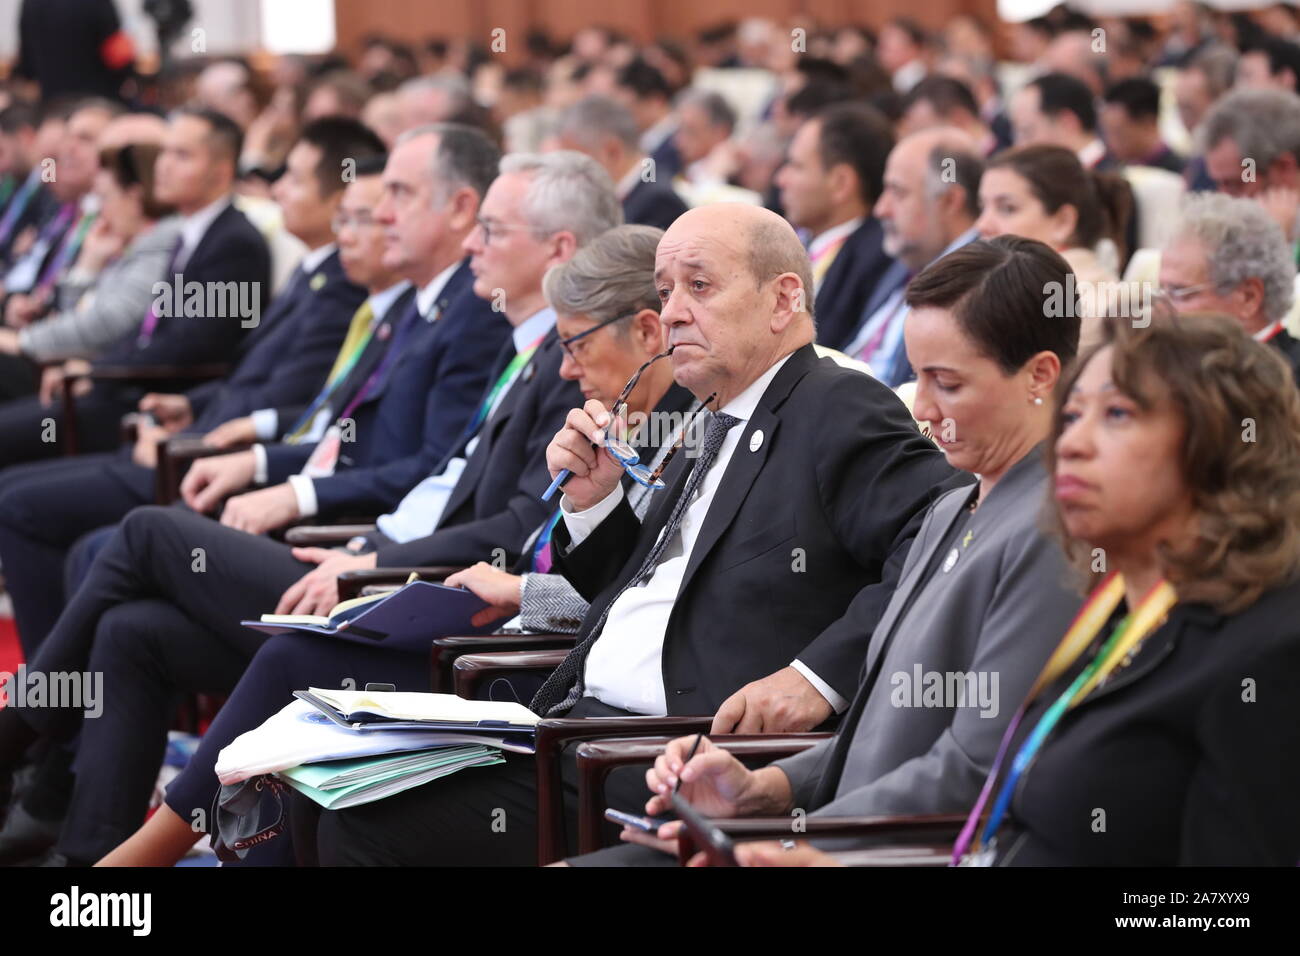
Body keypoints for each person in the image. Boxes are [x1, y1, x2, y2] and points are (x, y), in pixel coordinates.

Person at [293, 202, 960, 866]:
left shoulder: (835, 403)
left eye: (699, 286)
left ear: (784, 297)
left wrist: (817, 677)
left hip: (669, 754)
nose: (672, 311)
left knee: (357, 819)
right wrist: (594, 503)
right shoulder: (709, 414)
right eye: (665, 291)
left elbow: (943, 547)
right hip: (577, 723)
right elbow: (630, 588)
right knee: (316, 783)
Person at [96, 224, 696, 867]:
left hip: (528, 665)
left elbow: (641, 604)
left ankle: (136, 857)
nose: (564, 366)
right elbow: (468, 494)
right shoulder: (617, 416)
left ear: (645, 334)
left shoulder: (688, 439)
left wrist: (521, 590)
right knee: (139, 628)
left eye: (573, 343)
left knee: (278, 654)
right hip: (482, 617)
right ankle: (94, 842)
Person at [567, 236, 1085, 866]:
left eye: (946, 383)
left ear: (1040, 376)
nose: (921, 409)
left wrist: (797, 838)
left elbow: (975, 772)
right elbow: (877, 730)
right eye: (918, 377)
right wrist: (762, 791)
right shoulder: (954, 508)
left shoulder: (1056, 535)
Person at [970, 310, 1300, 865]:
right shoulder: (1118, 616)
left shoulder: (1269, 651)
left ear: (1217, 445)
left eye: (1118, 414)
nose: (1071, 443)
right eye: (1071, 416)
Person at [0, 106, 271, 465]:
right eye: (164, 153)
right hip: (126, 388)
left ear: (221, 171)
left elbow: (194, 346)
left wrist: (96, 369)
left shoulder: (235, 243)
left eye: (181, 155)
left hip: (159, 406)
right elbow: (154, 330)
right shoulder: (192, 234)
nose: (163, 166)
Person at [844, 127, 983, 386]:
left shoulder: (978, 284)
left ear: (950, 201)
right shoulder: (906, 260)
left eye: (897, 192)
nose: (881, 209)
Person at [976, 144, 1133, 347]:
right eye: (982, 207)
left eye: (1007, 208)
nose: (982, 224)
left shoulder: (1071, 306)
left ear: (1062, 222)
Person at [775, 102, 896, 351]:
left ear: (841, 183)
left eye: (796, 166)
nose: (781, 179)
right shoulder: (793, 240)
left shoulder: (876, 261)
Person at [1157, 192, 1300, 380]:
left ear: (1248, 297)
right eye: (1161, 290)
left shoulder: (1287, 384)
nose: (1160, 308)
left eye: (1178, 293)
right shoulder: (1163, 364)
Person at [552, 95, 687, 232]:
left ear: (612, 152)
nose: (571, 172)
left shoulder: (659, 201)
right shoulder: (635, 190)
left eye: (577, 161)